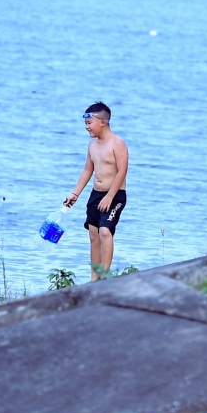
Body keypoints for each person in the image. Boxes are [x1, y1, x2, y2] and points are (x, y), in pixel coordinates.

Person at [63, 102, 129, 281]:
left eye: (89, 123)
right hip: (96, 194)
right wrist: (75, 194)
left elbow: (122, 171)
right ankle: (94, 278)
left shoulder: (118, 143)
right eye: (85, 124)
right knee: (93, 235)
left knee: (105, 232)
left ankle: (105, 276)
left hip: (114, 195)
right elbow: (87, 170)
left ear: (103, 122)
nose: (87, 128)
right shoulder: (92, 145)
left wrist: (109, 196)